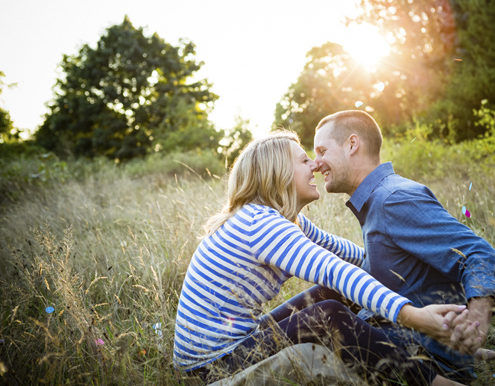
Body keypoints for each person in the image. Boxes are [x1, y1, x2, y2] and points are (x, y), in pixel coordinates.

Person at [173, 130, 474, 385]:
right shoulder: (261, 225)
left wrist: (403, 268)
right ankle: (434, 382)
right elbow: (335, 271)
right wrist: (416, 317)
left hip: (241, 341)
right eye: (304, 160)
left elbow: (351, 257)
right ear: (278, 173)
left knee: (330, 295)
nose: (315, 165)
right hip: (211, 366)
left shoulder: (285, 220)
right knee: (328, 313)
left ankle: (432, 348)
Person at [310, 110, 495, 383]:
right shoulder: (377, 200)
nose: (316, 163)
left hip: (418, 359)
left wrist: (473, 324)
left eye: (322, 150)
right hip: (409, 342)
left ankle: (241, 355)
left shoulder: (392, 199)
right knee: (327, 292)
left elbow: (477, 253)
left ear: (352, 144)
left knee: (325, 314)